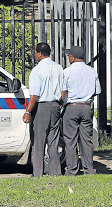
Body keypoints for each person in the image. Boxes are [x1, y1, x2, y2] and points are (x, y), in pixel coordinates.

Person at [23, 42, 64, 177]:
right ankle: (55, 172)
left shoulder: (37, 70)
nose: (34, 54)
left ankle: (38, 173)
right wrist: (60, 104)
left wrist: (28, 111)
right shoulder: (59, 68)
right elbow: (64, 90)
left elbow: (35, 94)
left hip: (42, 107)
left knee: (39, 142)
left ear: (40, 54)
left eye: (35, 52)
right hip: (55, 106)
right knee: (53, 142)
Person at [62, 45, 101, 176]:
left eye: (69, 56)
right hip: (86, 107)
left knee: (70, 140)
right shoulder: (92, 71)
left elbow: (63, 91)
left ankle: (72, 169)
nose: (68, 58)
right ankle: (89, 169)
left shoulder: (66, 72)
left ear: (72, 57)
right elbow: (97, 91)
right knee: (86, 139)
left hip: (71, 107)